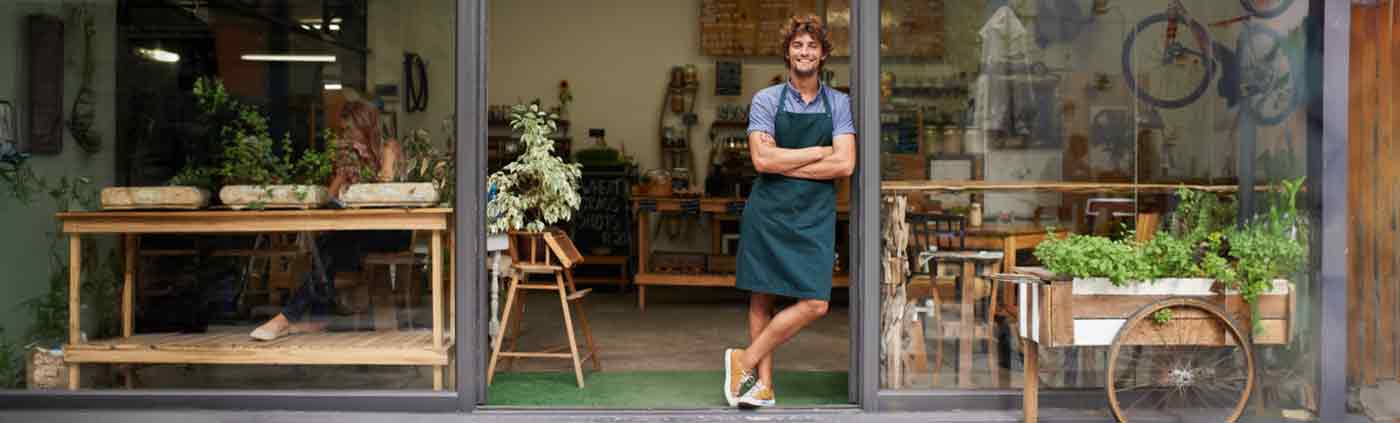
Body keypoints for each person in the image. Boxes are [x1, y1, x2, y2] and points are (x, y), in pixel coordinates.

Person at [724, 15, 856, 408]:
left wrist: (785, 161)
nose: (805, 52)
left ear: (823, 54)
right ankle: (763, 386)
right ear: (787, 52)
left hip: (815, 215)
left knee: (816, 302)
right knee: (762, 297)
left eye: (812, 46)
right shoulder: (766, 100)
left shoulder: (839, 103)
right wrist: (818, 151)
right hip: (769, 212)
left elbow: (845, 164)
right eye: (798, 45)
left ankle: (744, 360)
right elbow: (762, 161)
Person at [250, 98, 406, 341]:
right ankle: (306, 317)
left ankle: (293, 318)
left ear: (365, 125)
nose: (347, 135)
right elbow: (330, 197)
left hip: (392, 230)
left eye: (351, 129)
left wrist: (364, 166)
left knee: (331, 246)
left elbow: (385, 187)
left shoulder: (389, 147)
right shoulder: (351, 156)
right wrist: (343, 174)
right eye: (344, 130)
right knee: (326, 244)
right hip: (363, 230)